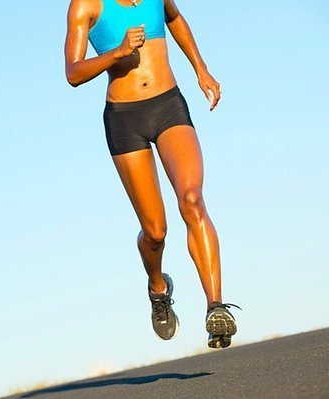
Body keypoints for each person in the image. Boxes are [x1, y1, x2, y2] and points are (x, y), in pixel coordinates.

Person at [64, 0, 240, 349]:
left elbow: (175, 19)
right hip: (124, 119)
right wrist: (116, 53)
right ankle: (157, 286)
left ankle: (216, 308)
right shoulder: (85, 5)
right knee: (156, 232)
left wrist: (201, 69)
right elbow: (73, 72)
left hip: (168, 105)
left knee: (192, 199)